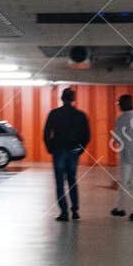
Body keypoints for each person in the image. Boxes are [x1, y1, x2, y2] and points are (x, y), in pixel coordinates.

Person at [43, 87, 90, 221]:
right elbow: (86, 135)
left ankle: (64, 212)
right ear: (73, 99)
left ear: (62, 98)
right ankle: (75, 210)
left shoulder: (54, 113)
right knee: (72, 181)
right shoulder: (81, 115)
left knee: (59, 183)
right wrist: (81, 149)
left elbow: (46, 133)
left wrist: (49, 148)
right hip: (74, 151)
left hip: (58, 151)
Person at [110, 94, 133, 222]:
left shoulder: (120, 119)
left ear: (122, 105)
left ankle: (120, 209)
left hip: (127, 155)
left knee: (124, 183)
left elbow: (115, 138)